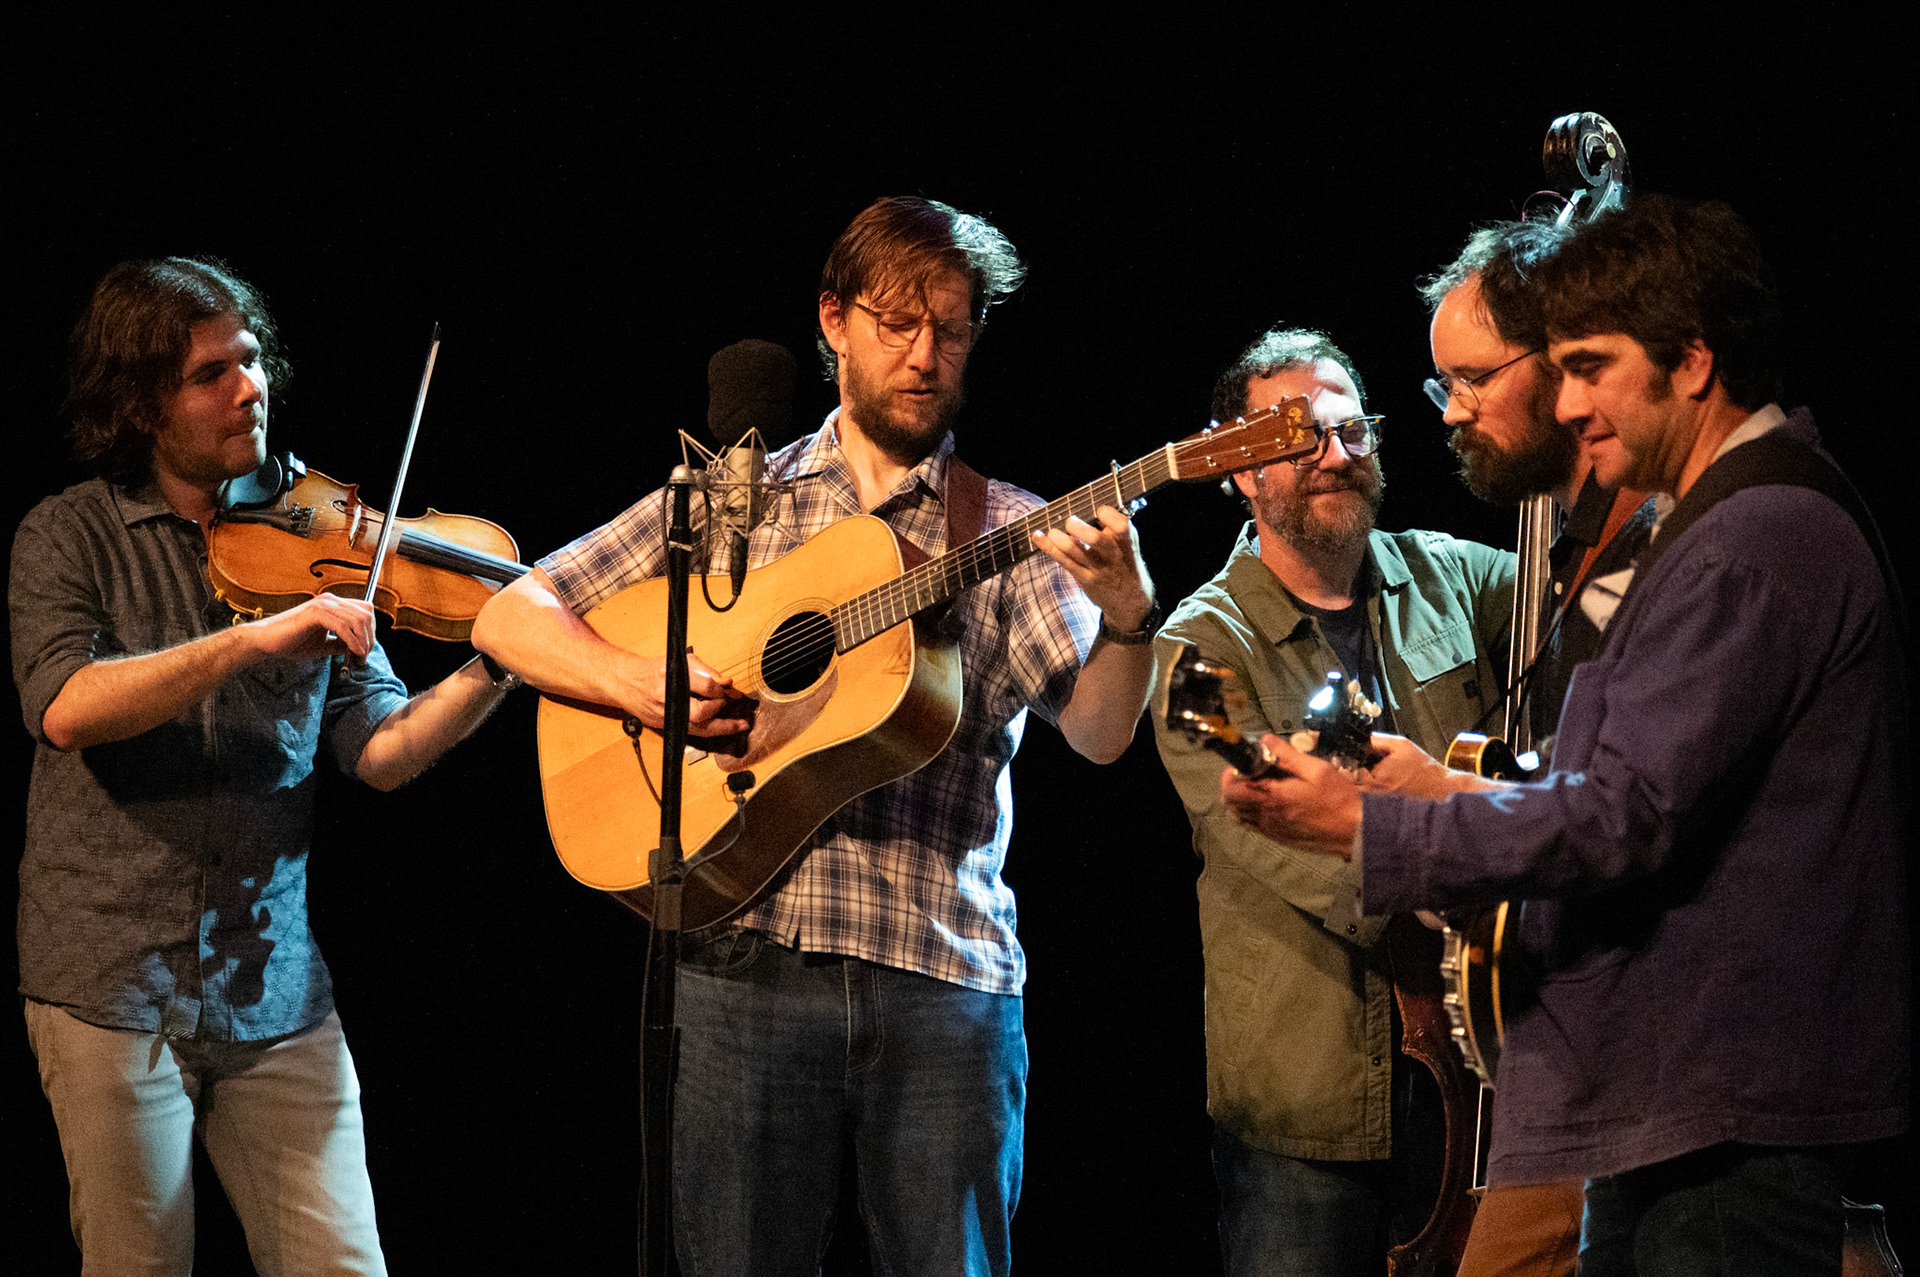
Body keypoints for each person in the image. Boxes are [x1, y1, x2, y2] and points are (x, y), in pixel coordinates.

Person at [1221, 195, 1909, 1275]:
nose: (1570, 399)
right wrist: (1436, 797)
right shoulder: (1708, 530)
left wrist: (1374, 827)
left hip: (1723, 1099)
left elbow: (1621, 817)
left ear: (1691, 361)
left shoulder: (1751, 538)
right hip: (1674, 1096)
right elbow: (1613, 791)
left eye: (1590, 366)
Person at [470, 195, 1158, 1274]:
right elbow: (511, 612)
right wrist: (640, 684)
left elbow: (1103, 734)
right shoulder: (732, 498)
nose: (925, 356)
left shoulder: (1010, 529)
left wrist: (1129, 616)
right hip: (744, 962)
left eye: (952, 329)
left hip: (944, 978)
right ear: (834, 320)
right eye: (899, 323)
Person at [10, 257, 519, 1275]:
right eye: (212, 374)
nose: (250, 388)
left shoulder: (318, 529)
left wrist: (498, 662)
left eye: (251, 361)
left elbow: (379, 748)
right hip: (112, 986)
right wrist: (251, 640)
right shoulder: (70, 534)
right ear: (139, 403)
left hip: (275, 990)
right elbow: (66, 707)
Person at [1149, 327, 1514, 1275]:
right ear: (1240, 468)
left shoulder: (1450, 575)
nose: (1335, 454)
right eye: (1299, 437)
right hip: (1306, 1118)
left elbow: (1585, 594)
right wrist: (1477, 863)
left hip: (1483, 1074)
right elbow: (1277, 832)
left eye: (1353, 431)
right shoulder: (1193, 652)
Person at [1420, 217, 1662, 1276]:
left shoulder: (1665, 541)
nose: (1453, 410)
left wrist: (1431, 819)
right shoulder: (1570, 553)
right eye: (1443, 385)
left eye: (1474, 378)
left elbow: (1624, 810)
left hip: (1644, 1045)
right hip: (1575, 1038)